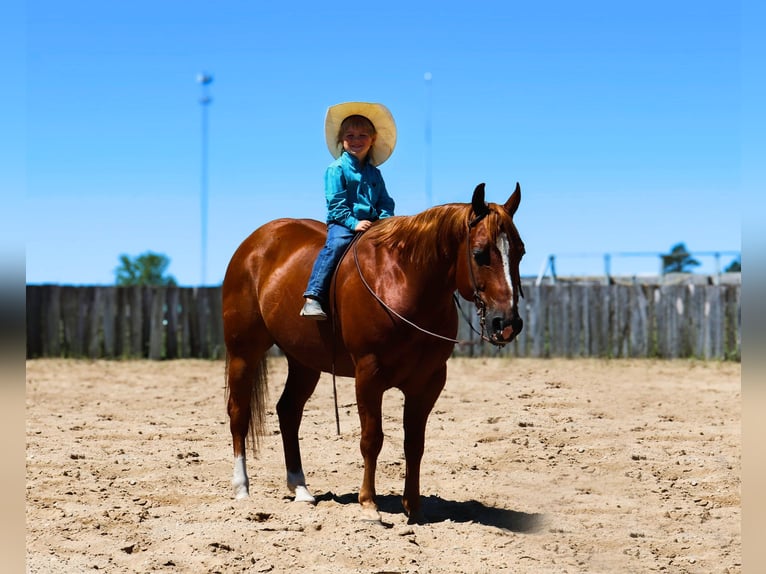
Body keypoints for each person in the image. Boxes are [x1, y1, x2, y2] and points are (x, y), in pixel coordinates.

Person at [301, 101, 397, 320]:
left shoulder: (375, 174)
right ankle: (313, 296)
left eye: (363, 135)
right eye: (350, 136)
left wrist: (386, 221)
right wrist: (354, 223)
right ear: (341, 140)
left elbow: (385, 201)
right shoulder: (335, 169)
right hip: (343, 223)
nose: (356, 141)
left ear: (372, 140)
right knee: (335, 245)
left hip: (373, 224)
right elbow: (336, 205)